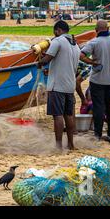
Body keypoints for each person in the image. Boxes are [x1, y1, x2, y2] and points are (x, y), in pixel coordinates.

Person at [38, 20, 80, 150]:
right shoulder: (75, 45)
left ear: (58, 30)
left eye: (55, 32)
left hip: (57, 86)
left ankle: (58, 146)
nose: (54, 34)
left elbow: (47, 59)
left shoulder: (57, 41)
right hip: (70, 86)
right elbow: (64, 64)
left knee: (58, 115)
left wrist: (39, 62)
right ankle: (71, 144)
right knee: (69, 115)